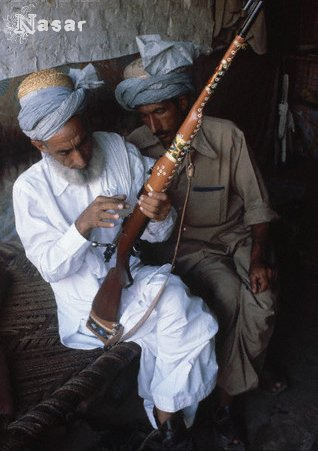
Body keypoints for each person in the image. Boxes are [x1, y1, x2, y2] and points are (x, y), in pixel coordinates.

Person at [12, 65, 219, 450]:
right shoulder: (29, 190)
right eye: (64, 151)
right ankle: (167, 423)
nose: (79, 158)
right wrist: (81, 227)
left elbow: (157, 232)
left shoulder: (116, 149)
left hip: (130, 276)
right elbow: (49, 268)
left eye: (83, 142)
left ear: (87, 123)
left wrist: (160, 212)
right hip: (86, 307)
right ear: (39, 146)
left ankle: (164, 422)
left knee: (184, 310)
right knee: (184, 326)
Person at [115, 35, 279, 448]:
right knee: (223, 297)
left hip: (232, 238)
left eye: (161, 111)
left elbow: (258, 206)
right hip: (179, 251)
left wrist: (258, 256)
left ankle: (234, 390)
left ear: (186, 101)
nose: (154, 125)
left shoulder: (226, 136)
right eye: (144, 114)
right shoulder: (135, 147)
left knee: (262, 301)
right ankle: (221, 402)